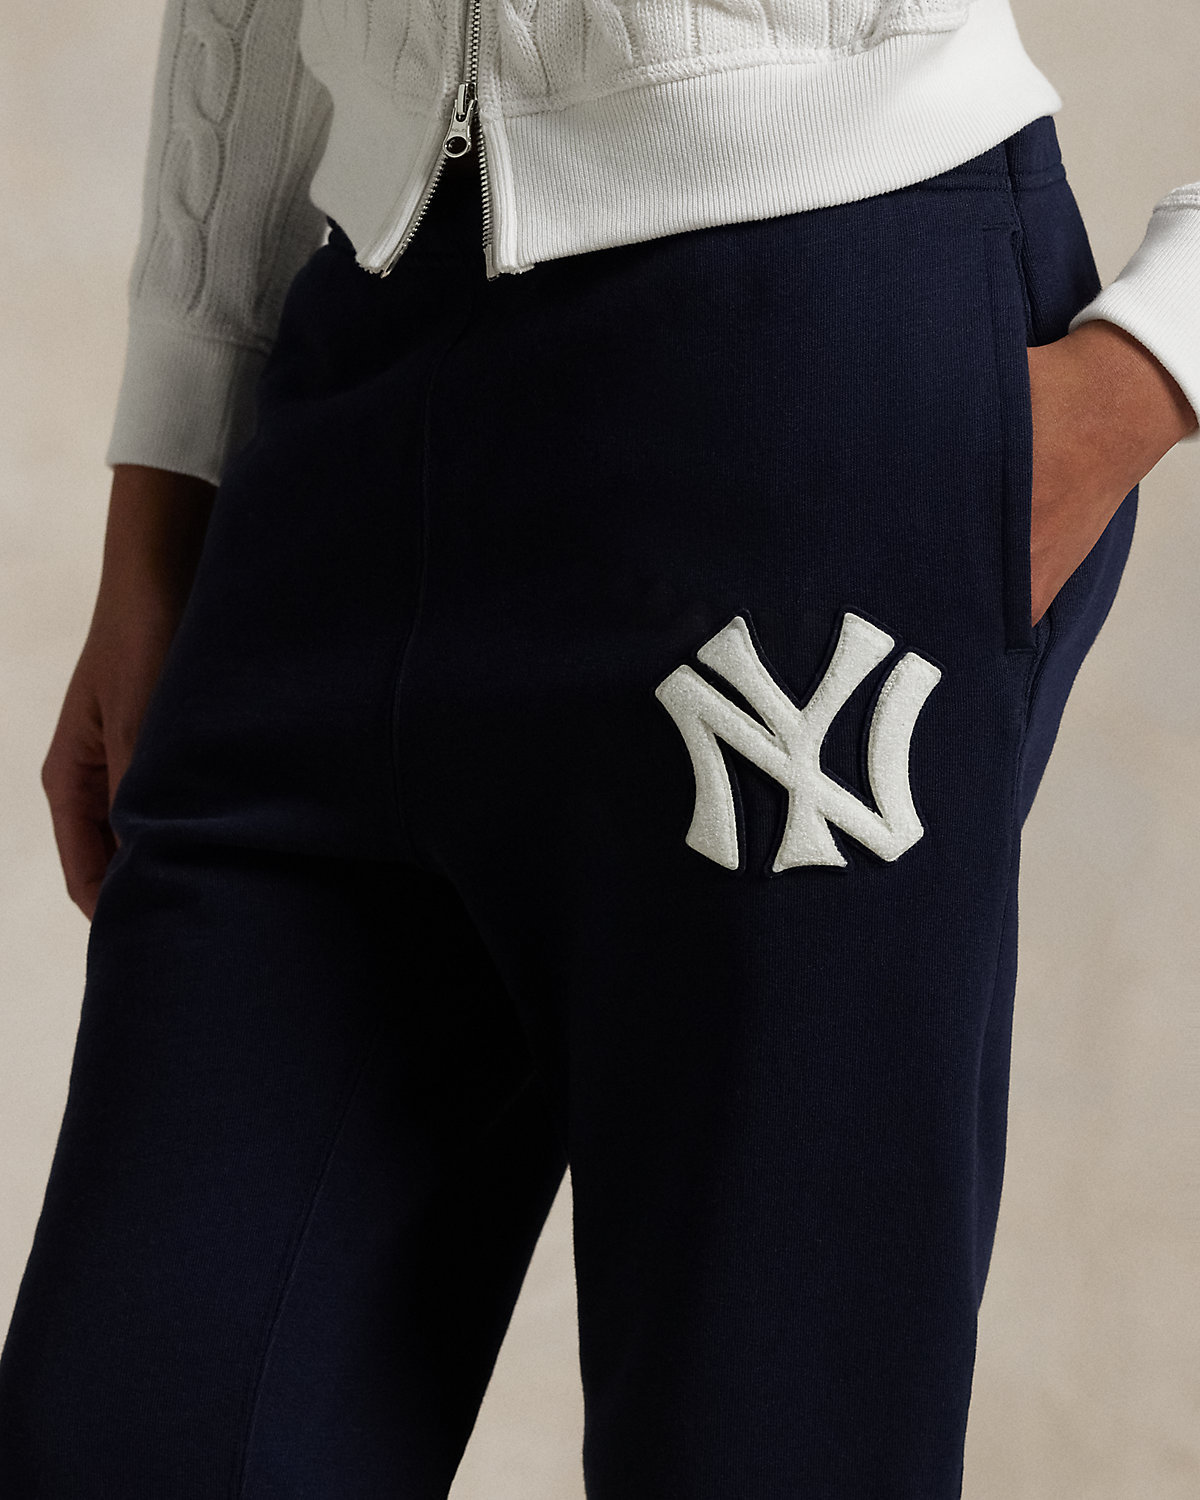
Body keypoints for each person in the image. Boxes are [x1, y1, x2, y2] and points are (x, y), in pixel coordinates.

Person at [0, 0, 1196, 1494]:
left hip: (817, 389)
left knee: (768, 1442)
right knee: (132, 1433)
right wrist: (168, 472)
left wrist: (1151, 362)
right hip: (356, 380)